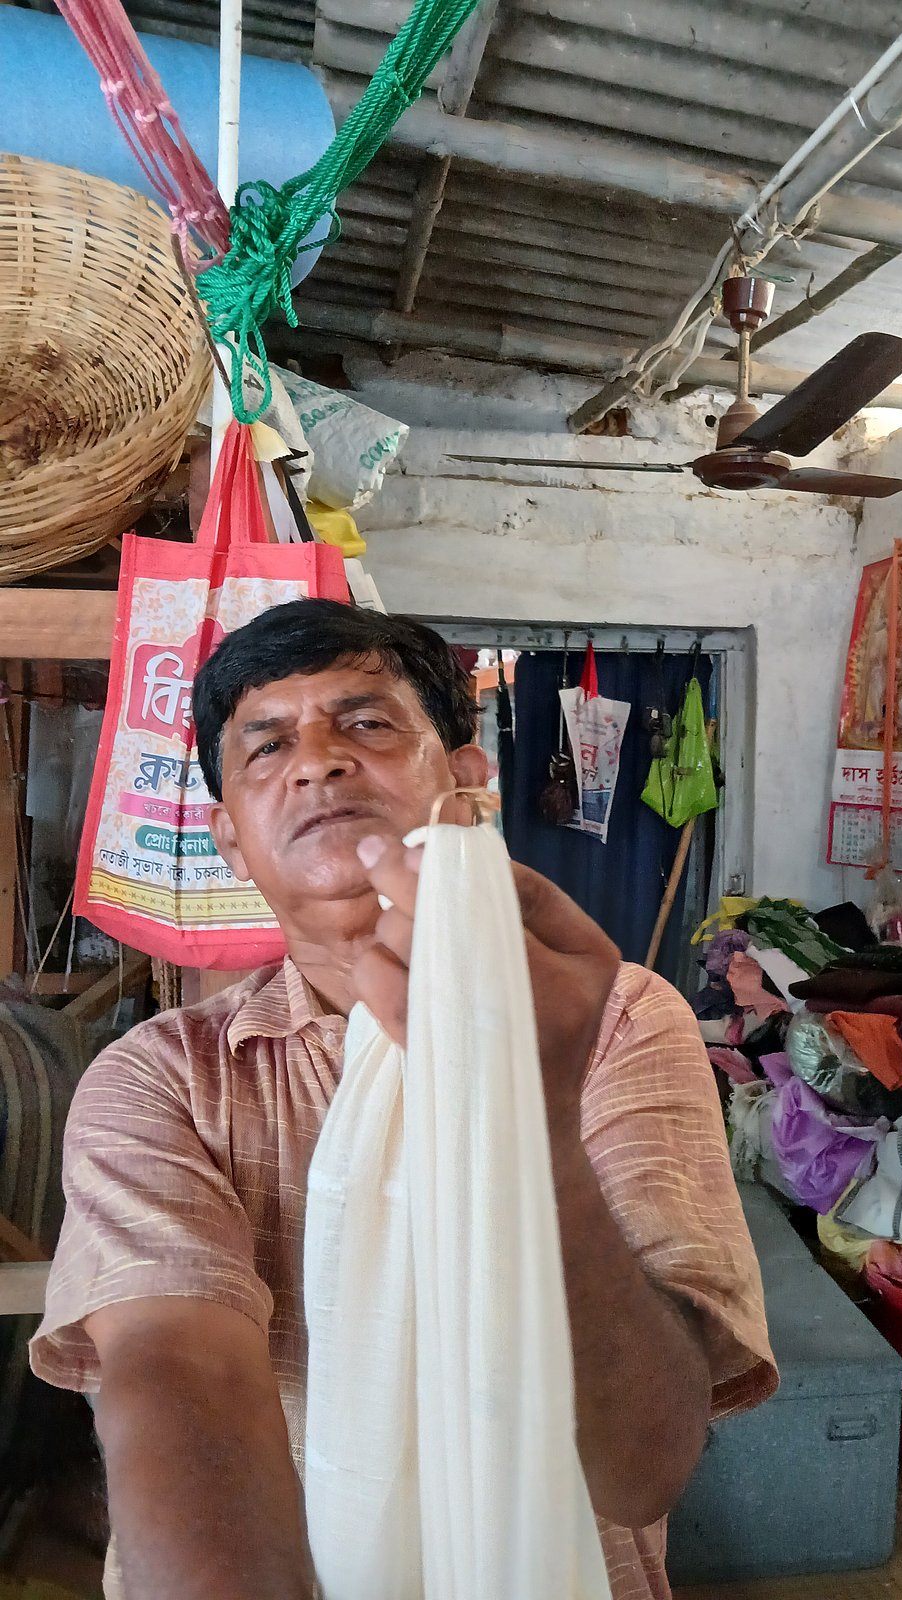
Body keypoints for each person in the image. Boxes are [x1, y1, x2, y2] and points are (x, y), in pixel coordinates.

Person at [31, 600, 776, 1600]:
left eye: (367, 723)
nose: (319, 760)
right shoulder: (165, 1079)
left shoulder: (620, 1022)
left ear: (466, 782)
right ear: (230, 841)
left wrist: (534, 1118)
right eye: (266, 746)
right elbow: (181, 1380)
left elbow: (644, 1466)